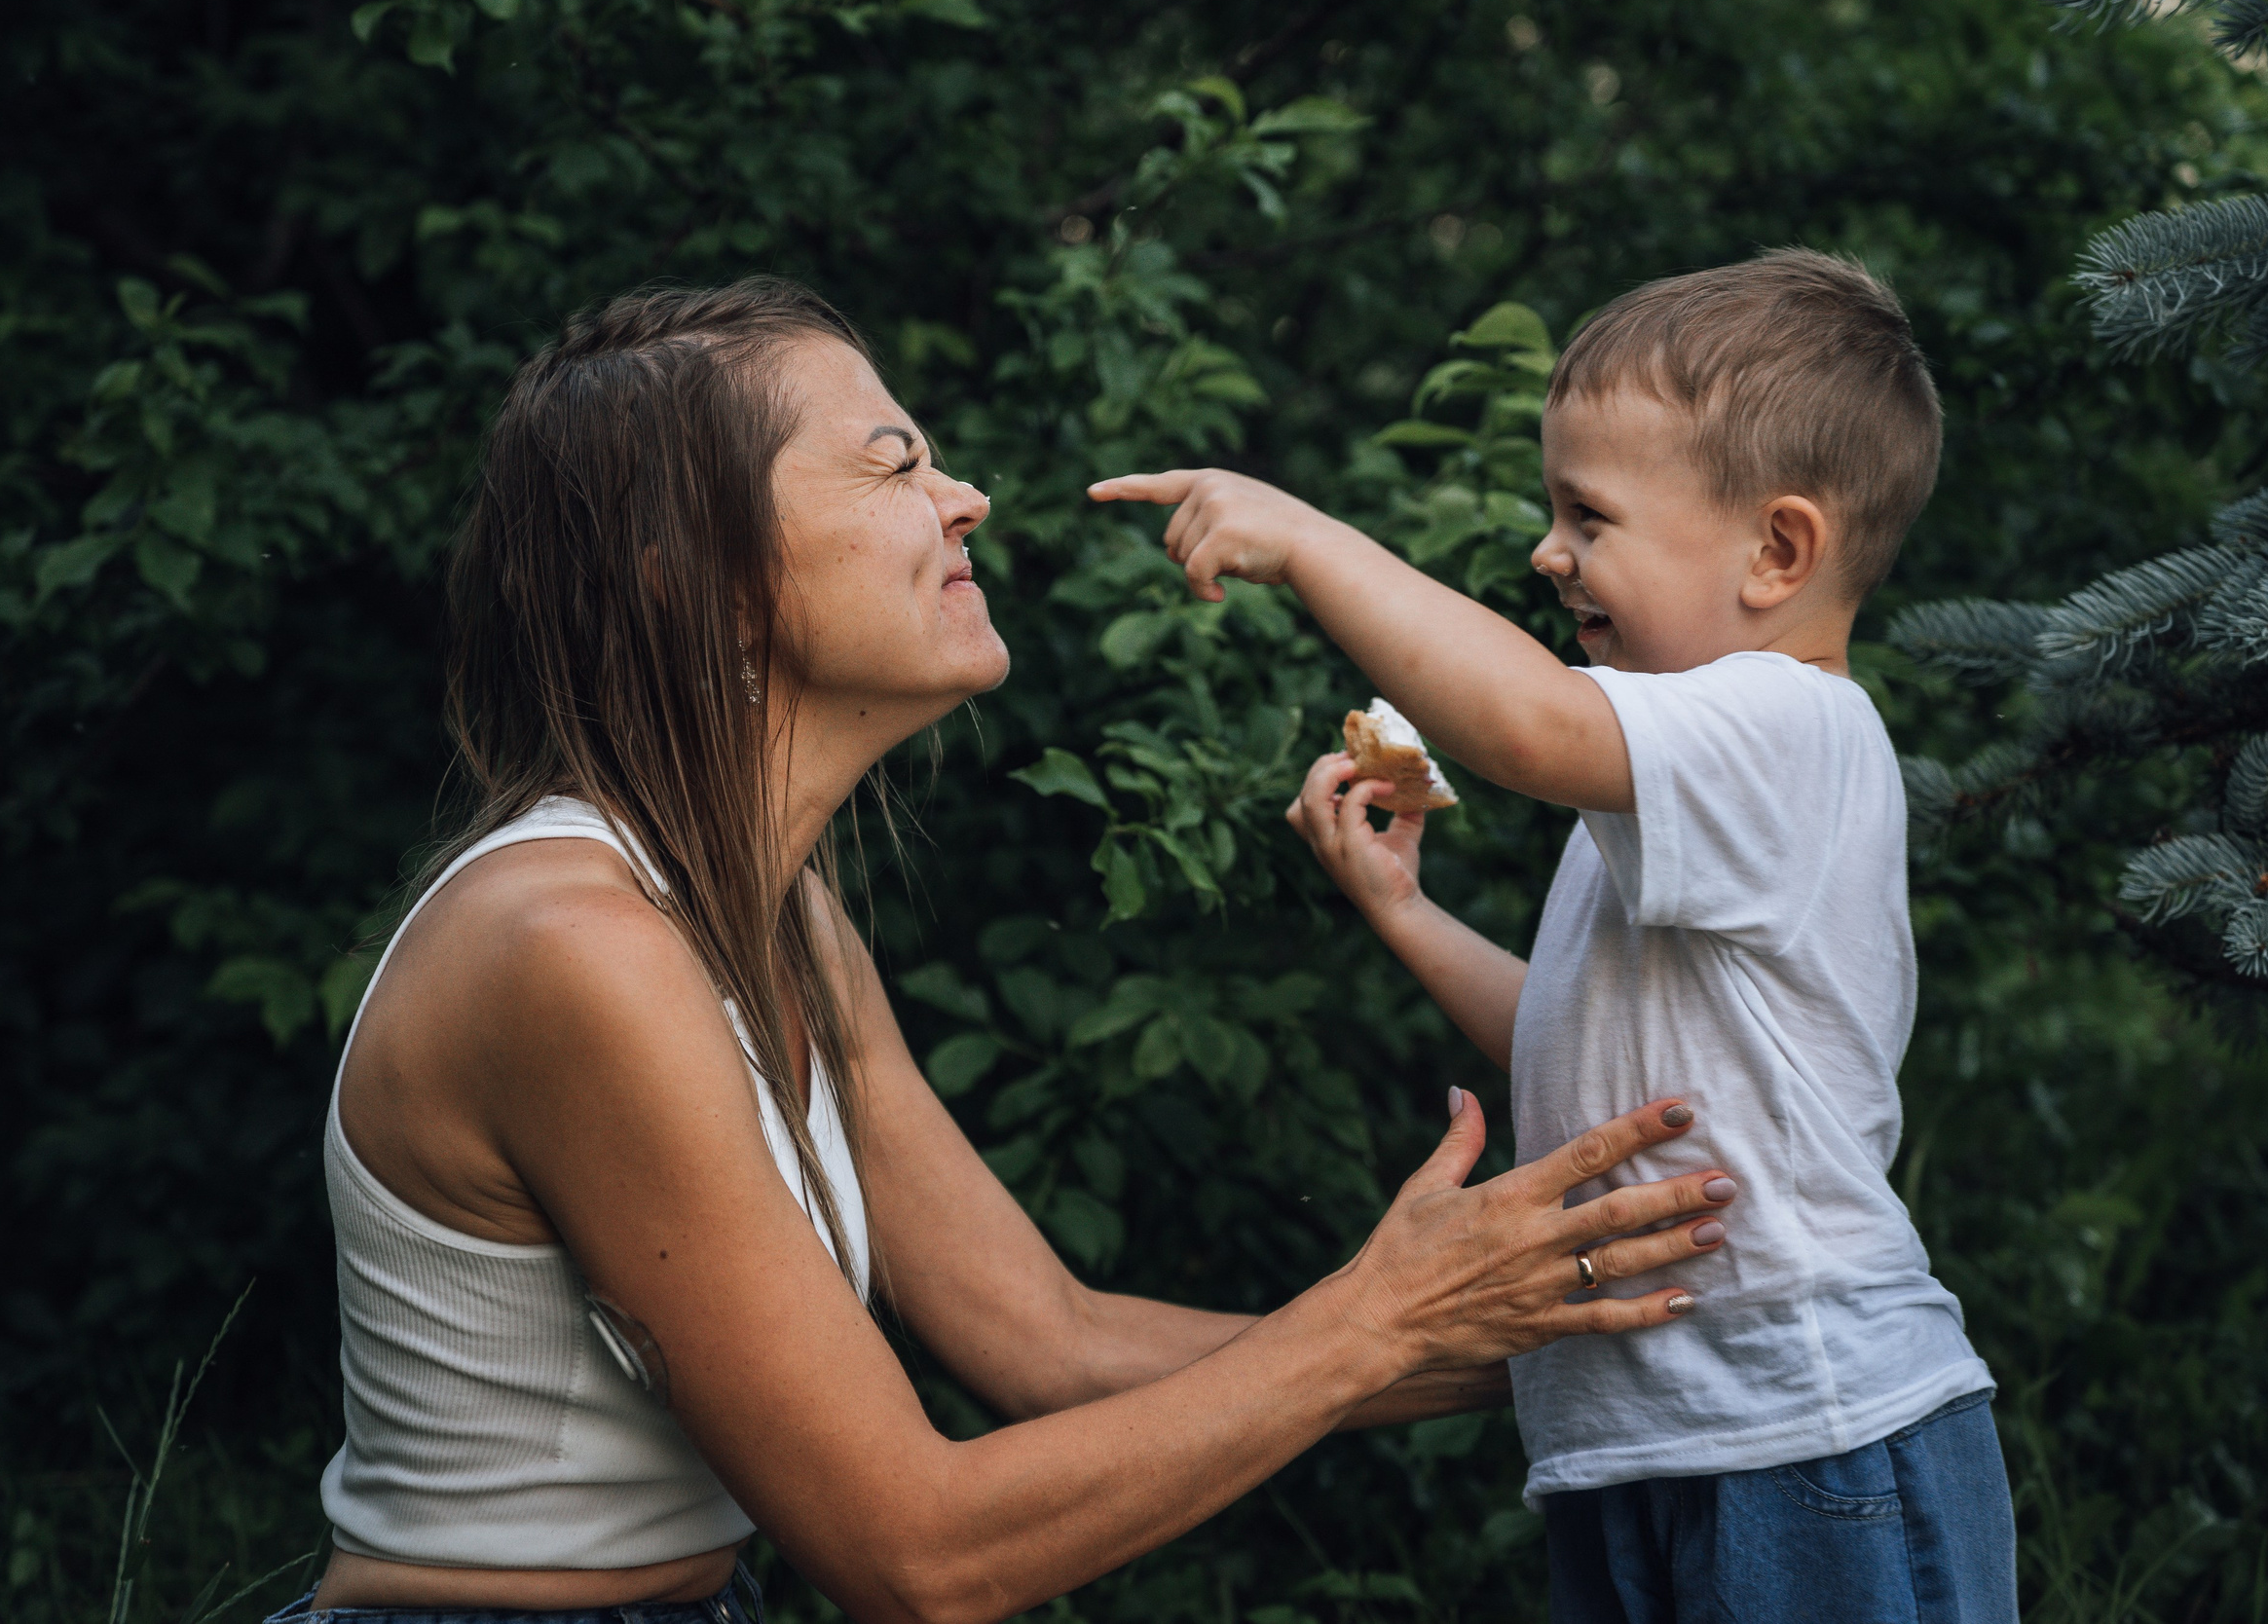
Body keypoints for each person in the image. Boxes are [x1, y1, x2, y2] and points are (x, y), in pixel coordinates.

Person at [269, 278, 1737, 1624]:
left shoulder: (778, 923)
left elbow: (1053, 1340)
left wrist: (1570, 1332)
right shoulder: (574, 947)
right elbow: (915, 1553)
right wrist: (1376, 1316)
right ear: (701, 580)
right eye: (896, 463)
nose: (965, 499)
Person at [1091, 249, 2014, 1624]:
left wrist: (1309, 538)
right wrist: (1406, 911)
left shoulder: (1795, 729)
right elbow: (1592, 1056)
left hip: (1812, 1435)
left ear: (1779, 552)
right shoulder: (1681, 793)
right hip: (1650, 1441)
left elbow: (1527, 723)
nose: (1549, 551)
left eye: (1588, 515)